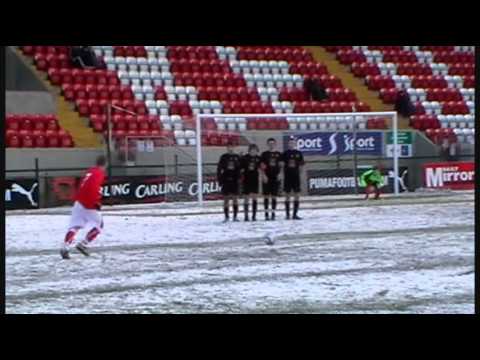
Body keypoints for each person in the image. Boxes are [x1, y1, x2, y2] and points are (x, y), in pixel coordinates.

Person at [61, 155, 107, 259]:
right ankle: (83, 244)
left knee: (74, 226)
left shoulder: (89, 171)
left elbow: (83, 185)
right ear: (105, 165)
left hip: (79, 201)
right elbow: (93, 188)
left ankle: (65, 247)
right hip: (89, 203)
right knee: (99, 226)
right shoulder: (99, 173)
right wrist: (95, 202)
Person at [217, 142, 242, 222]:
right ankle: (226, 217)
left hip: (234, 181)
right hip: (226, 180)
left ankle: (235, 216)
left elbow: (240, 169)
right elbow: (219, 169)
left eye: (232, 147)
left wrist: (239, 178)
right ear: (227, 148)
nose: (230, 148)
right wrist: (220, 180)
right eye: (229, 147)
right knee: (226, 199)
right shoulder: (223, 157)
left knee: (235, 199)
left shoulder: (237, 157)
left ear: (234, 147)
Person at [282, 137, 305, 220]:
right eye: (290, 143)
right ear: (288, 144)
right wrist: (282, 174)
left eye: (293, 143)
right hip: (287, 177)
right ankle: (287, 214)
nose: (291, 144)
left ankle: (295, 214)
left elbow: (302, 165)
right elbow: (281, 164)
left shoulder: (299, 153)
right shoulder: (285, 153)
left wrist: (300, 174)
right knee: (287, 195)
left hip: (296, 177)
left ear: (295, 144)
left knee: (297, 195)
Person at [260, 138, 283, 221]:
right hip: (267, 177)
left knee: (274, 196)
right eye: (270, 143)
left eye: (273, 143)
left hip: (275, 177)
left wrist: (280, 174)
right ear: (267, 144)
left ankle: (273, 213)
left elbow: (281, 166)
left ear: (275, 144)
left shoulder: (279, 154)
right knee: (266, 196)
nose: (271, 145)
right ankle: (266, 214)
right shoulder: (264, 154)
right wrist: (263, 175)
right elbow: (262, 166)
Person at [241, 144, 261, 222]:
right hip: (246, 180)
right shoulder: (245, 158)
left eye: (255, 150)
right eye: (252, 150)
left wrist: (262, 176)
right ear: (249, 150)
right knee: (246, 198)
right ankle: (246, 216)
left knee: (254, 198)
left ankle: (254, 216)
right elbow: (241, 169)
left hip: (255, 180)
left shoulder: (258, 158)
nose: (253, 151)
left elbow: (261, 168)